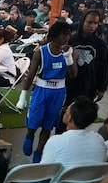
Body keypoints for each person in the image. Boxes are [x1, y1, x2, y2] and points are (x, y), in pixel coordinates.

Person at [16, 21, 77, 163]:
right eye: (63, 34)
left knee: (48, 124)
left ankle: (39, 150)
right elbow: (31, 74)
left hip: (58, 91)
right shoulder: (41, 51)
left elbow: (73, 75)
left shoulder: (70, 52)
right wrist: (23, 95)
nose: (66, 38)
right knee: (34, 120)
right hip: (42, 89)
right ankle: (30, 135)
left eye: (68, 34)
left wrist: (68, 57)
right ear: (55, 35)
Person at [41, 96, 107, 183]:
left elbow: (43, 173)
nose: (64, 112)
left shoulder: (56, 141)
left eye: (66, 110)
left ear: (70, 117)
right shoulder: (99, 139)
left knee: (16, 170)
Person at [65, 9, 108, 108]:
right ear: (83, 22)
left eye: (95, 23)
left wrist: (102, 88)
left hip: (89, 85)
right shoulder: (71, 40)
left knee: (82, 114)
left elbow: (104, 67)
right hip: (69, 84)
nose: (92, 26)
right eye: (89, 22)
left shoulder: (100, 44)